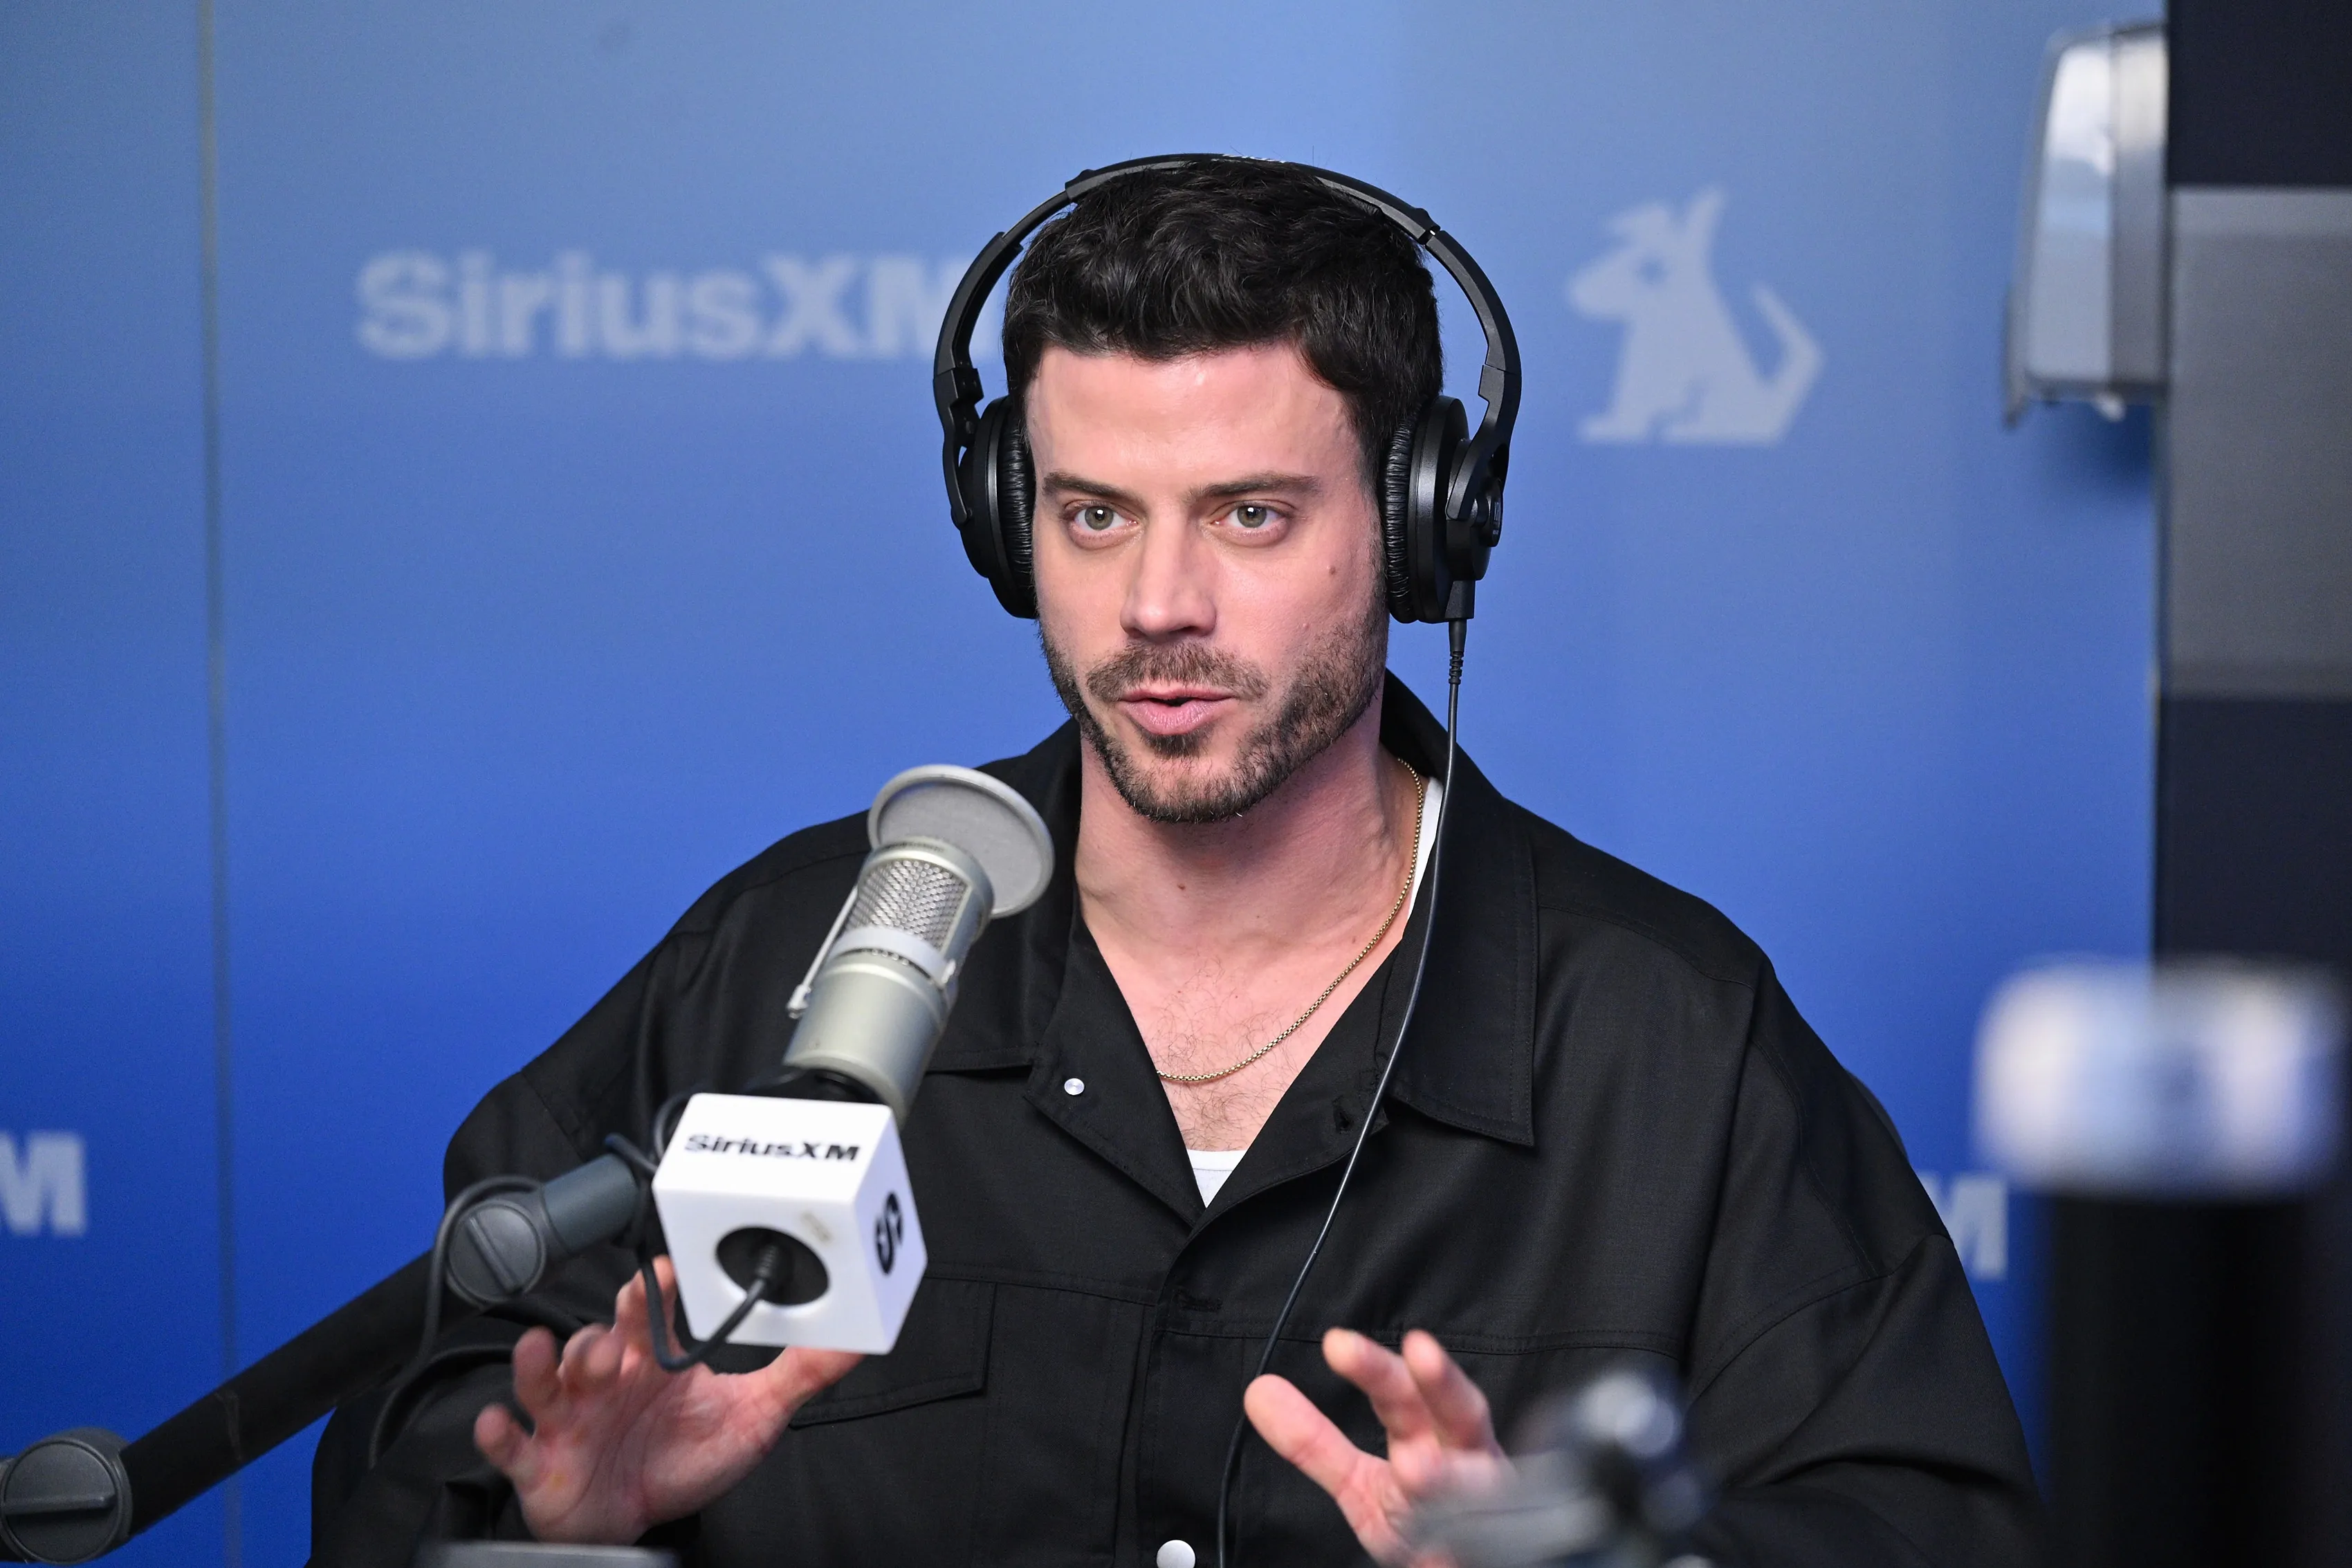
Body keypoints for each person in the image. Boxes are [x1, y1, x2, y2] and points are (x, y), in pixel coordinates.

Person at [312, 159, 2039, 1568]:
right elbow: (422, 1426)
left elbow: (1930, 1529)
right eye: (1091, 514)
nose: (1156, 607)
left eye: (1250, 514)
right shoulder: (784, 958)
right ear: (1008, 524)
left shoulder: (1669, 1041)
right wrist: (558, 1526)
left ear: (1424, 520)